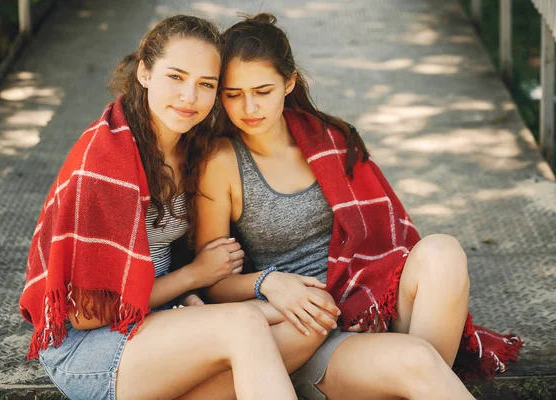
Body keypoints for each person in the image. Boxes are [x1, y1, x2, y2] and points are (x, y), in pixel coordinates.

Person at [190, 13, 523, 400]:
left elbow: (388, 241)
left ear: (289, 82)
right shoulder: (221, 162)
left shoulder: (329, 138)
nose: (249, 107)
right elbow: (211, 283)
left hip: (367, 301)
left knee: (443, 251)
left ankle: (409, 378)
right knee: (416, 360)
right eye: (233, 94)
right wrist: (270, 281)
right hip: (308, 330)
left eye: (263, 91)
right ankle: (411, 377)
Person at [19, 15, 299, 400]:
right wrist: (193, 277)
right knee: (244, 323)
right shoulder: (105, 162)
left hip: (158, 318)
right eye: (176, 77)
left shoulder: (193, 146)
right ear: (145, 72)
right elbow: (84, 315)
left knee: (301, 322)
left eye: (206, 85)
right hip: (91, 346)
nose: (189, 97)